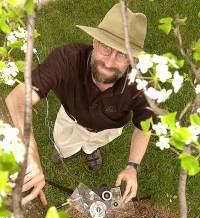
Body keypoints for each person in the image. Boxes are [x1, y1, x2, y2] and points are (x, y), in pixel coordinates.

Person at [6, 3, 156, 206]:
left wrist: (132, 166)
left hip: (108, 130)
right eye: (106, 47)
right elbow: (17, 99)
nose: (110, 62)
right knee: (62, 143)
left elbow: (143, 128)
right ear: (94, 41)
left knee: (95, 142)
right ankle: (63, 151)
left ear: (132, 59)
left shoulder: (142, 85)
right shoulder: (67, 58)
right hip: (69, 119)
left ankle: (90, 150)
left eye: (122, 53)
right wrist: (30, 153)